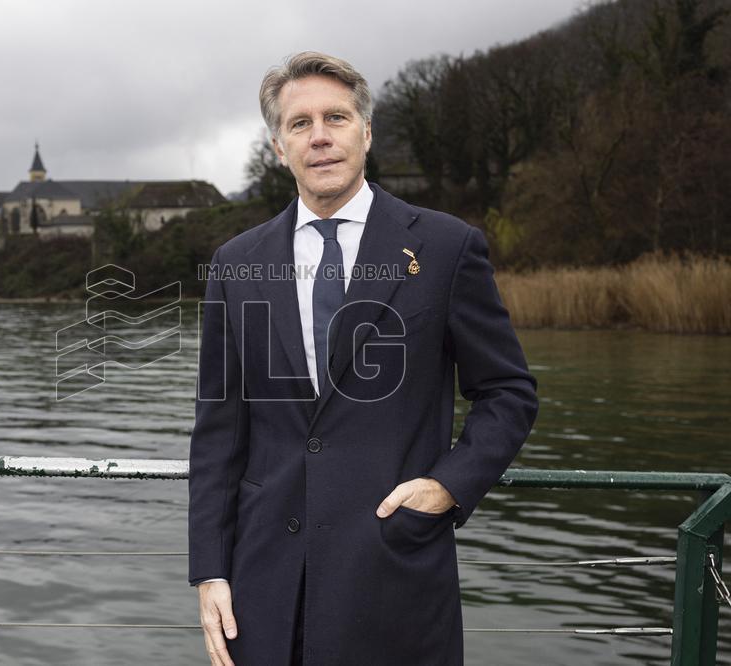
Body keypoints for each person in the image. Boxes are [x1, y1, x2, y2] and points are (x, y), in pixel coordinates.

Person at [188, 51, 538, 665]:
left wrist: (447, 487)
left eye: (337, 117)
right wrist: (210, 572)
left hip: (393, 576)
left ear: (367, 132)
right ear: (278, 145)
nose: (320, 136)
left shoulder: (446, 247)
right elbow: (219, 432)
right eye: (300, 124)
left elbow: (508, 392)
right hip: (263, 594)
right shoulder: (235, 262)